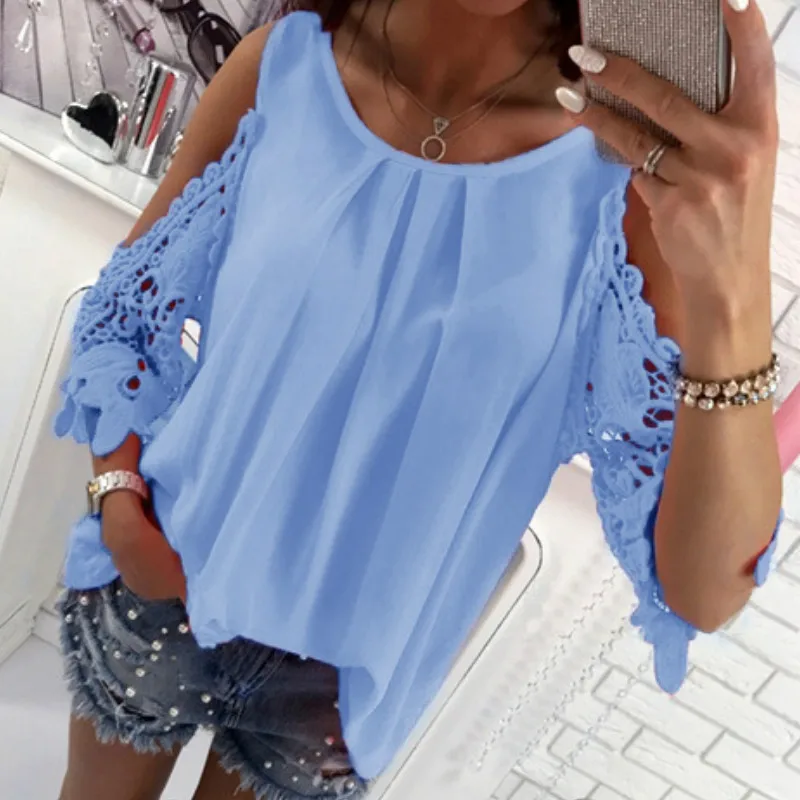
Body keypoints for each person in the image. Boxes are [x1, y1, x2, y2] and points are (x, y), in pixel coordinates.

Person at [54, 0, 783, 798]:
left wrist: (737, 289)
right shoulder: (281, 70)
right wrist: (117, 497)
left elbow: (704, 589)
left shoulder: (623, 185)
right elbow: (123, 315)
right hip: (160, 575)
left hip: (334, 683)